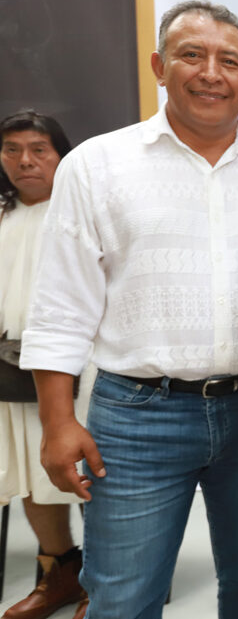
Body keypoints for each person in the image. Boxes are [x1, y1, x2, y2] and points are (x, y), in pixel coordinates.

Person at [19, 0, 238, 619]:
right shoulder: (96, 166)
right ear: (158, 65)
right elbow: (61, 305)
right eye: (192, 55)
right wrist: (57, 422)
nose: (212, 73)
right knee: (123, 597)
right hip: (135, 418)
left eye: (229, 61)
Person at [0, 111, 87, 619]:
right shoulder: (3, 214)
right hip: (12, 370)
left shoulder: (79, 212)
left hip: (83, 368)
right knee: (34, 471)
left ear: (61, 155)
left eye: (38, 149)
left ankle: (104, 576)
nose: (25, 161)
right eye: (12, 150)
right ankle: (59, 574)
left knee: (91, 473)